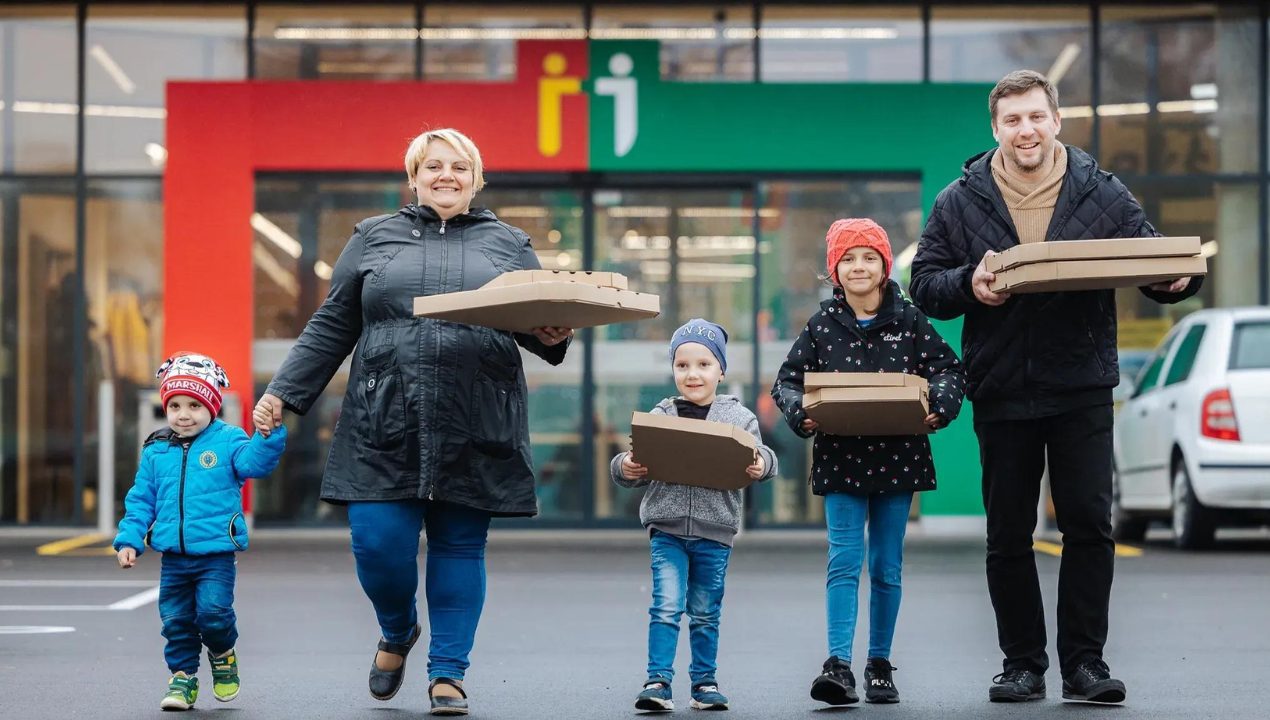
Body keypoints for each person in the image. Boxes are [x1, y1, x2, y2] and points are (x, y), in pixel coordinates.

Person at [252, 128, 573, 716]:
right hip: (384, 416)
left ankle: (448, 672)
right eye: (433, 166)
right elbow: (332, 325)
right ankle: (398, 629)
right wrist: (283, 393)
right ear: (414, 177)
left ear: (477, 179)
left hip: (476, 417)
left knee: (459, 547)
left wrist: (554, 334)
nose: (446, 175)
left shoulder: (508, 243)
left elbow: (540, 323)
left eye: (459, 166)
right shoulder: (375, 238)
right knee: (377, 545)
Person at [908, 70, 1203, 705]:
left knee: (1090, 526)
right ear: (996, 129)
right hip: (1002, 386)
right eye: (1012, 120)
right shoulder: (960, 201)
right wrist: (969, 285)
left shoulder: (1099, 189)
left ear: (1056, 120)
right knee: (1008, 533)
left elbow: (1150, 257)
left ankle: (1085, 666)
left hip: (1082, 384)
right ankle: (1022, 664)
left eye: (1036, 117)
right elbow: (925, 283)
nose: (1026, 130)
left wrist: (1175, 283)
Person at [772, 219, 965, 706]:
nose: (859, 266)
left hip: (899, 460)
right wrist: (801, 414)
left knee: (886, 565)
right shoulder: (820, 326)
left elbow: (947, 369)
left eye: (869, 257)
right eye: (848, 258)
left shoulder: (912, 321)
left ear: (883, 266)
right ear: (835, 270)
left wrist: (940, 405)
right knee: (843, 561)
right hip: (841, 459)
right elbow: (788, 383)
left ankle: (879, 664)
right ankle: (838, 665)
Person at [611, 319, 777, 712]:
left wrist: (761, 464)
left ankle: (704, 683)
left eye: (704, 364)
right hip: (666, 530)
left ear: (721, 369)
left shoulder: (739, 419)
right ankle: (658, 681)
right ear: (673, 369)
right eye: (682, 365)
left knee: (704, 612)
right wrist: (625, 466)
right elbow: (630, 463)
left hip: (715, 532)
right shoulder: (660, 414)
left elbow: (764, 456)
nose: (693, 374)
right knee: (666, 605)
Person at [114, 352, 287, 711]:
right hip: (174, 558)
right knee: (175, 620)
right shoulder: (155, 449)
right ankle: (182, 678)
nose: (183, 413)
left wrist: (268, 435)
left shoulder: (227, 440)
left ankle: (223, 653)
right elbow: (141, 500)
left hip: (215, 555)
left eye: (194, 404)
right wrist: (129, 539)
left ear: (212, 405)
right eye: (174, 405)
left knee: (213, 614)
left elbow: (255, 463)